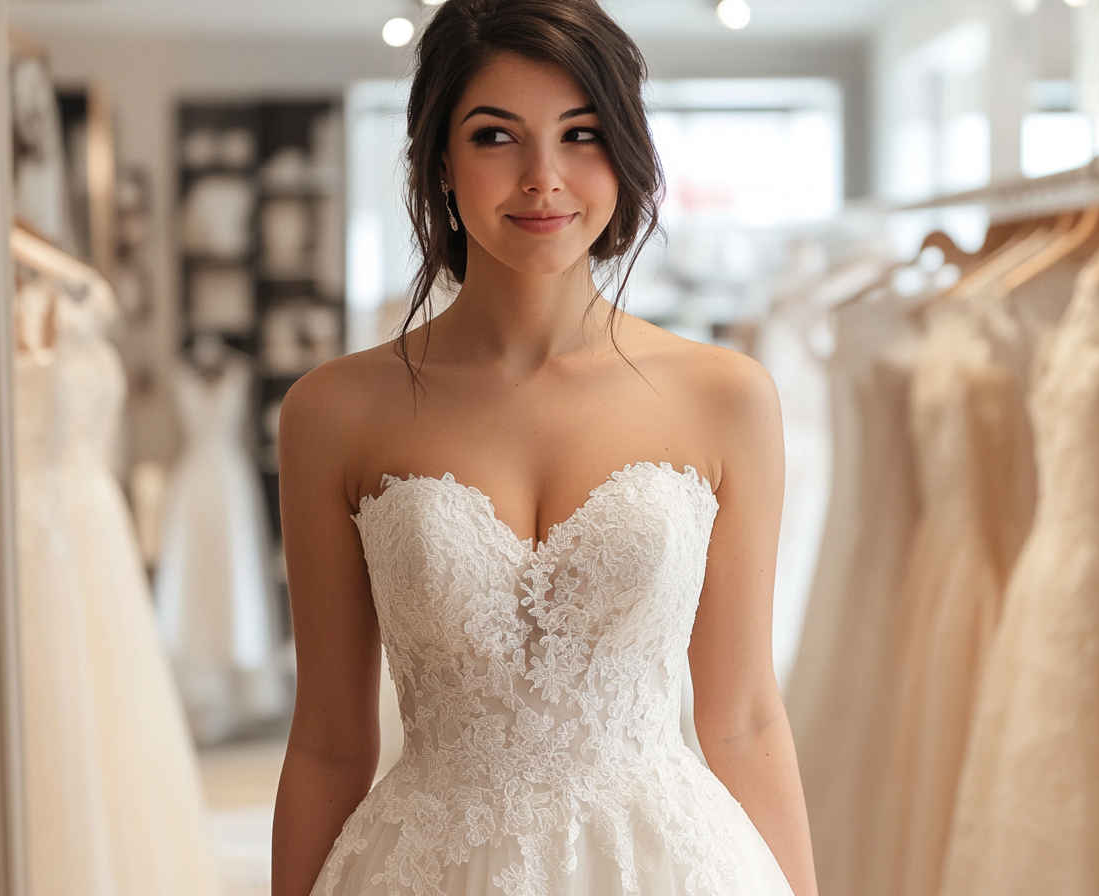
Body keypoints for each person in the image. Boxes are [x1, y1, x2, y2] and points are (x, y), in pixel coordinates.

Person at [271, 1, 818, 894]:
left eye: (581, 133)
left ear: (627, 155)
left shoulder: (727, 397)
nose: (543, 177)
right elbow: (329, 744)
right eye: (495, 136)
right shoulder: (333, 411)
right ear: (438, 159)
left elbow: (745, 719)